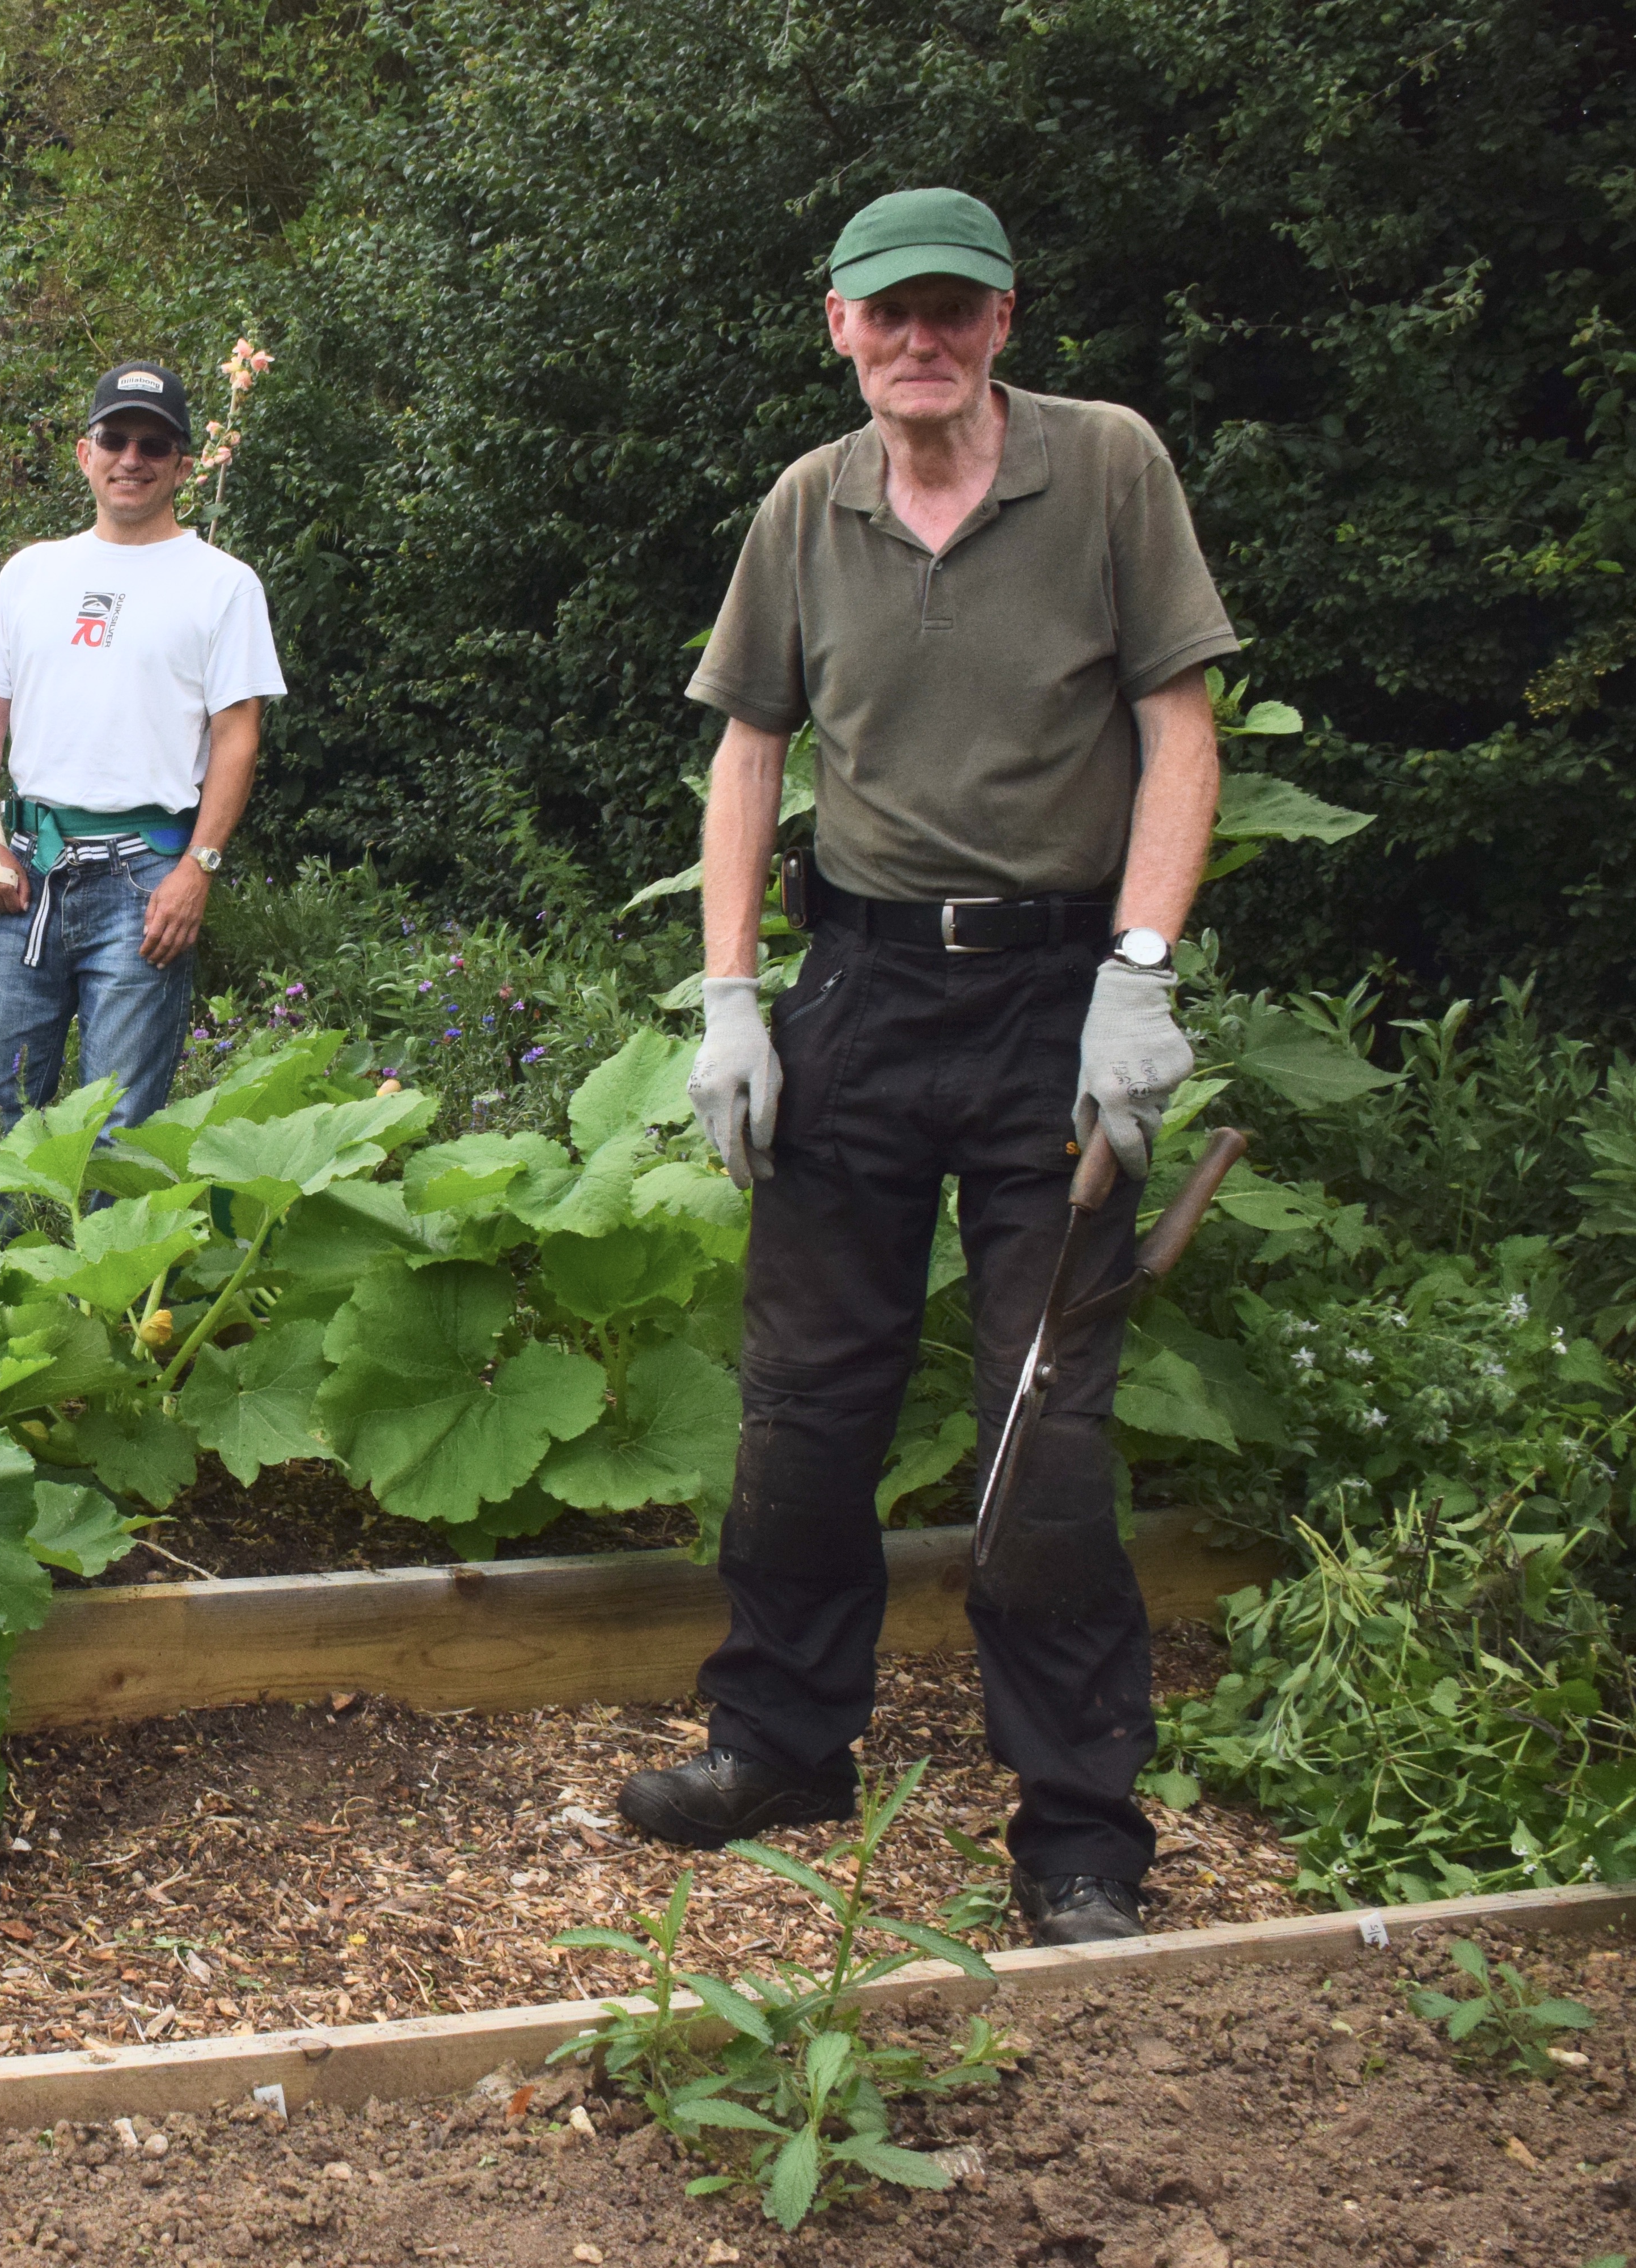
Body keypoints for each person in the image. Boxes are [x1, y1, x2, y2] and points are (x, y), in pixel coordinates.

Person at [619, 189, 1235, 1947]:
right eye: (886, 315)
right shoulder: (804, 507)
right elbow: (749, 751)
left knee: (1042, 1436)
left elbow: (1174, 729)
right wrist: (728, 996)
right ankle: (778, 1740)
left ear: (1000, 321)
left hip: (1055, 995)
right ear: (837, 328)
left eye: (949, 312)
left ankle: (1077, 1829)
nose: (918, 341)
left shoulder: (1104, 469)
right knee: (805, 1404)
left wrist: (1137, 974)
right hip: (866, 991)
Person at [0, 362, 284, 1144]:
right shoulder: (32, 572)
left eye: (153, 443)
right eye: (115, 438)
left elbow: (238, 735)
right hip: (27, 871)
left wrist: (197, 870)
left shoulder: (222, 585)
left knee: (120, 1123)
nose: (131, 458)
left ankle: (103, 1270)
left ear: (181, 465)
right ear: (85, 452)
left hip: (148, 880)